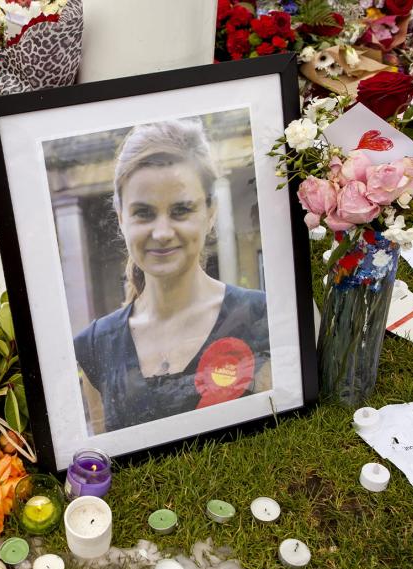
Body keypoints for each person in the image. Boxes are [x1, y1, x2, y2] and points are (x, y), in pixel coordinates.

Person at [73, 119, 270, 434]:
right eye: (143, 212)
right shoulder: (93, 346)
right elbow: (107, 459)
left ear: (211, 212)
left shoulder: (265, 319)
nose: (162, 232)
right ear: (121, 217)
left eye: (181, 210)